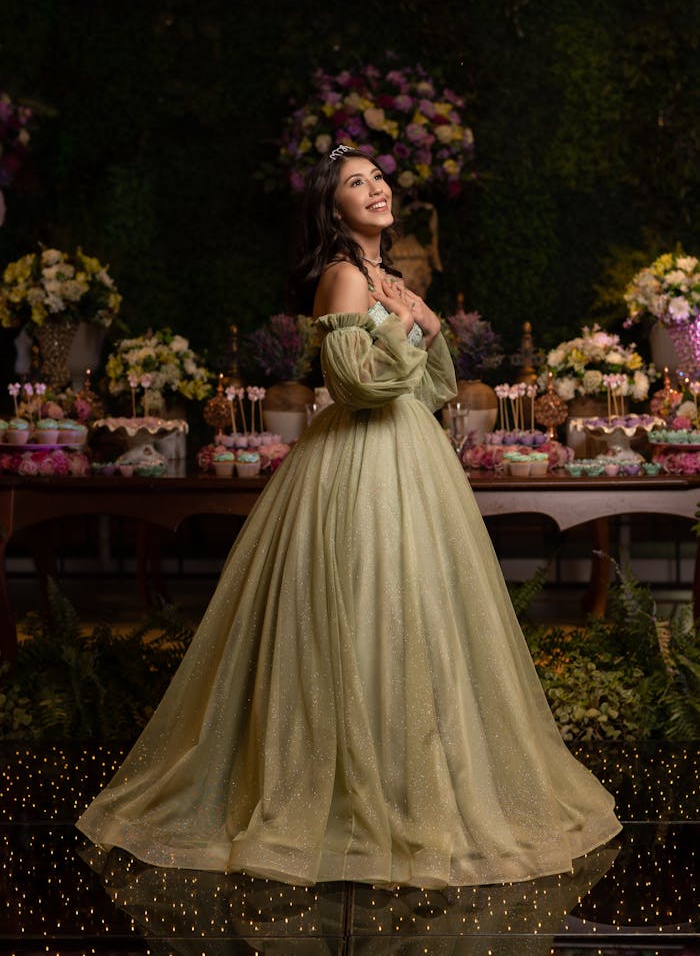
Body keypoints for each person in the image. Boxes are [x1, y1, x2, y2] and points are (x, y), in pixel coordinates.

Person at [77, 145, 620, 888]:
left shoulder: (389, 280)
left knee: (418, 613)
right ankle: (343, 789)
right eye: (355, 183)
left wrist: (424, 325)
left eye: (377, 177)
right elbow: (357, 386)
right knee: (359, 608)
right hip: (358, 466)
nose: (375, 188)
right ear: (332, 209)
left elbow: (429, 391)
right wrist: (408, 327)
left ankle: (410, 778)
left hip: (412, 458)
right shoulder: (341, 276)